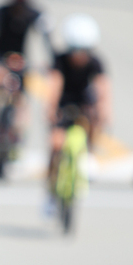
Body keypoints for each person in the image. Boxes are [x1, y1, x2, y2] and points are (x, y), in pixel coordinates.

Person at [44, 13, 110, 205]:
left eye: (85, 50)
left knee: (95, 120)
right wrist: (50, 109)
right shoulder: (60, 61)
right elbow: (54, 85)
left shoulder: (96, 63)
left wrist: (104, 111)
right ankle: (49, 192)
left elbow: (103, 89)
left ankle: (90, 154)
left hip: (84, 104)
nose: (80, 55)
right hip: (64, 104)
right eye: (76, 50)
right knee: (56, 145)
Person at [0, 0, 52, 142]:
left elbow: (46, 38)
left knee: (22, 99)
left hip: (22, 60)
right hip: (1, 56)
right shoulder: (1, 11)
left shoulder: (35, 13)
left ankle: (18, 132)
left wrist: (50, 61)